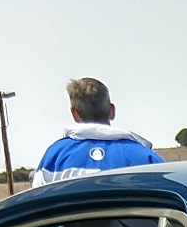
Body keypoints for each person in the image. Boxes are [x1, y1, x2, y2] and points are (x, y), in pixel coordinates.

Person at [32, 77, 165, 187]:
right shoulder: (148, 159)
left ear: (74, 113)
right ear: (112, 111)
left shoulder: (53, 159)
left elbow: (35, 208)